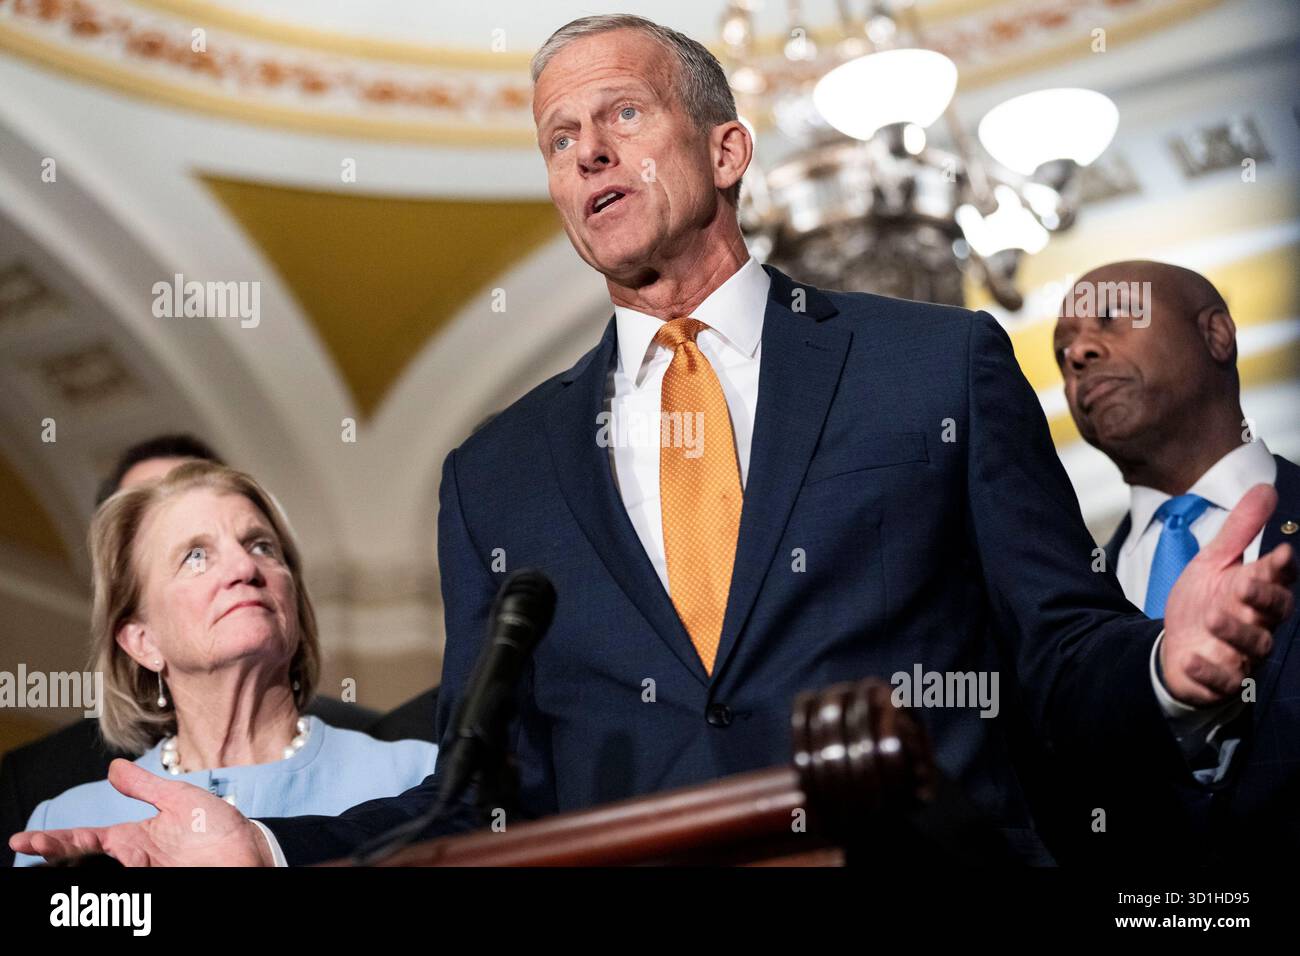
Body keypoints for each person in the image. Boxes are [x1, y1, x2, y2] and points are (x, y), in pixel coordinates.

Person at [11, 15, 1293, 868]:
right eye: (559, 141)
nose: (585, 156)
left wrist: (1160, 666)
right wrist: (273, 850)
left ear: (727, 148)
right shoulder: (495, 471)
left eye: (619, 118)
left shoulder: (932, 365)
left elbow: (1055, 645)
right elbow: (477, 785)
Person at [12, 461, 438, 864]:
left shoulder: (423, 776)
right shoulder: (69, 823)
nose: (244, 566)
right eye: (195, 556)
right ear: (142, 640)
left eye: (261, 546)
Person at [1047, 260, 1299, 859]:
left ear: (1216, 335)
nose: (1078, 352)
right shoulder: (1065, 617)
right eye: (1062, 353)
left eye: (1111, 319)